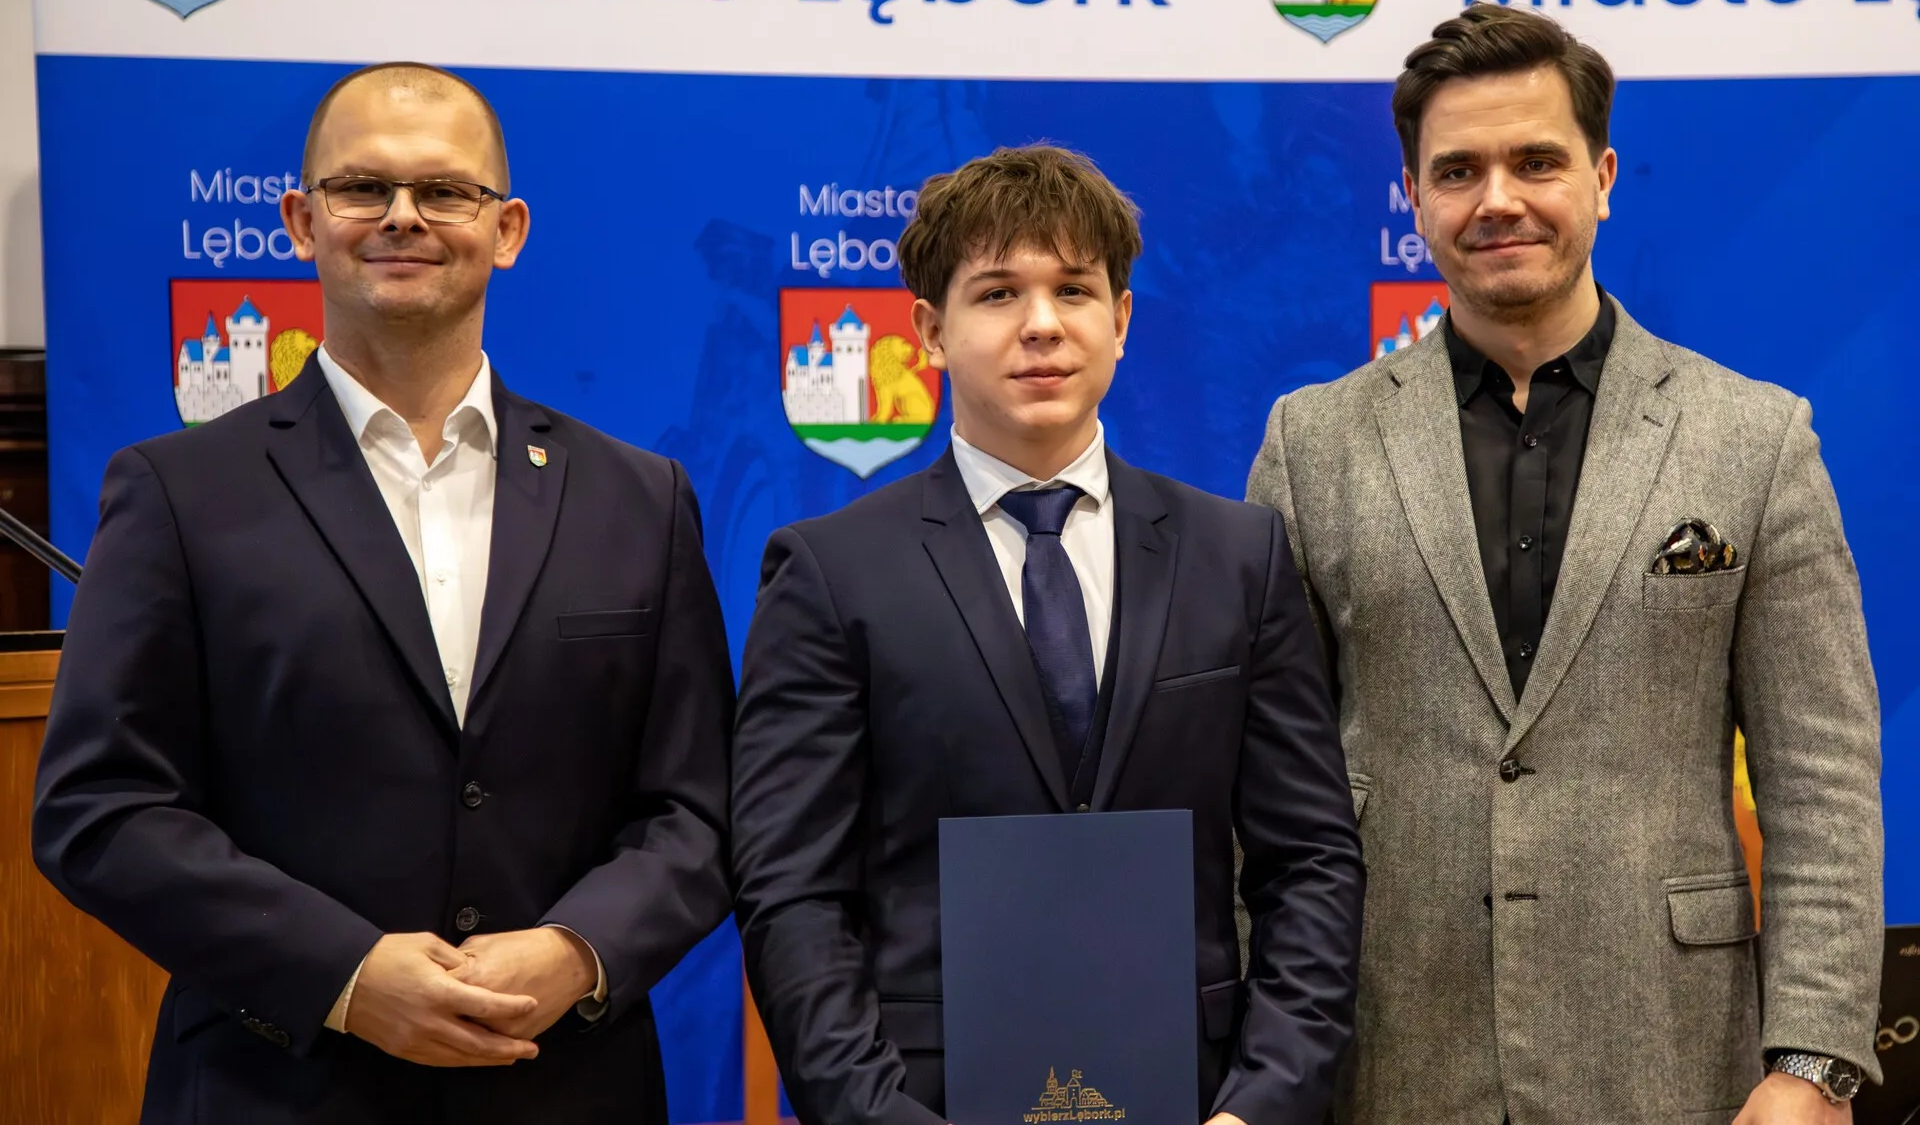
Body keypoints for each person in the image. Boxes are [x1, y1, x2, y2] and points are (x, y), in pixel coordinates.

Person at [33, 62, 734, 1123]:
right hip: (278, 1090)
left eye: (445, 190)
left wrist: (578, 948)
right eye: (364, 187)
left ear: (507, 229)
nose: (403, 216)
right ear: (301, 221)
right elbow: (100, 807)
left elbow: (698, 807)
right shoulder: (178, 493)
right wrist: (346, 973)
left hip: (565, 1086)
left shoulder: (641, 497)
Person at [1246, 3, 1884, 1124]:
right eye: (1458, 170)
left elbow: (1822, 777)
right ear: (1414, 198)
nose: (1498, 198)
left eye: (1536, 161)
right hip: (1388, 1057)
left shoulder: (1755, 438)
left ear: (1602, 177)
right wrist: (1262, 1065)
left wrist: (1815, 1059)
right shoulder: (1312, 444)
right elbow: (1264, 789)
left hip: (1672, 1056)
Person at [732, 144, 1363, 1125]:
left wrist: (1262, 1104)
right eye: (998, 293)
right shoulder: (831, 573)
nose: (1041, 323)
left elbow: (1309, 859)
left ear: (1122, 319)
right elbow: (792, 890)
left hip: (1203, 1102)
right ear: (930, 331)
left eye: (1074, 289)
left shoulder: (1239, 555)